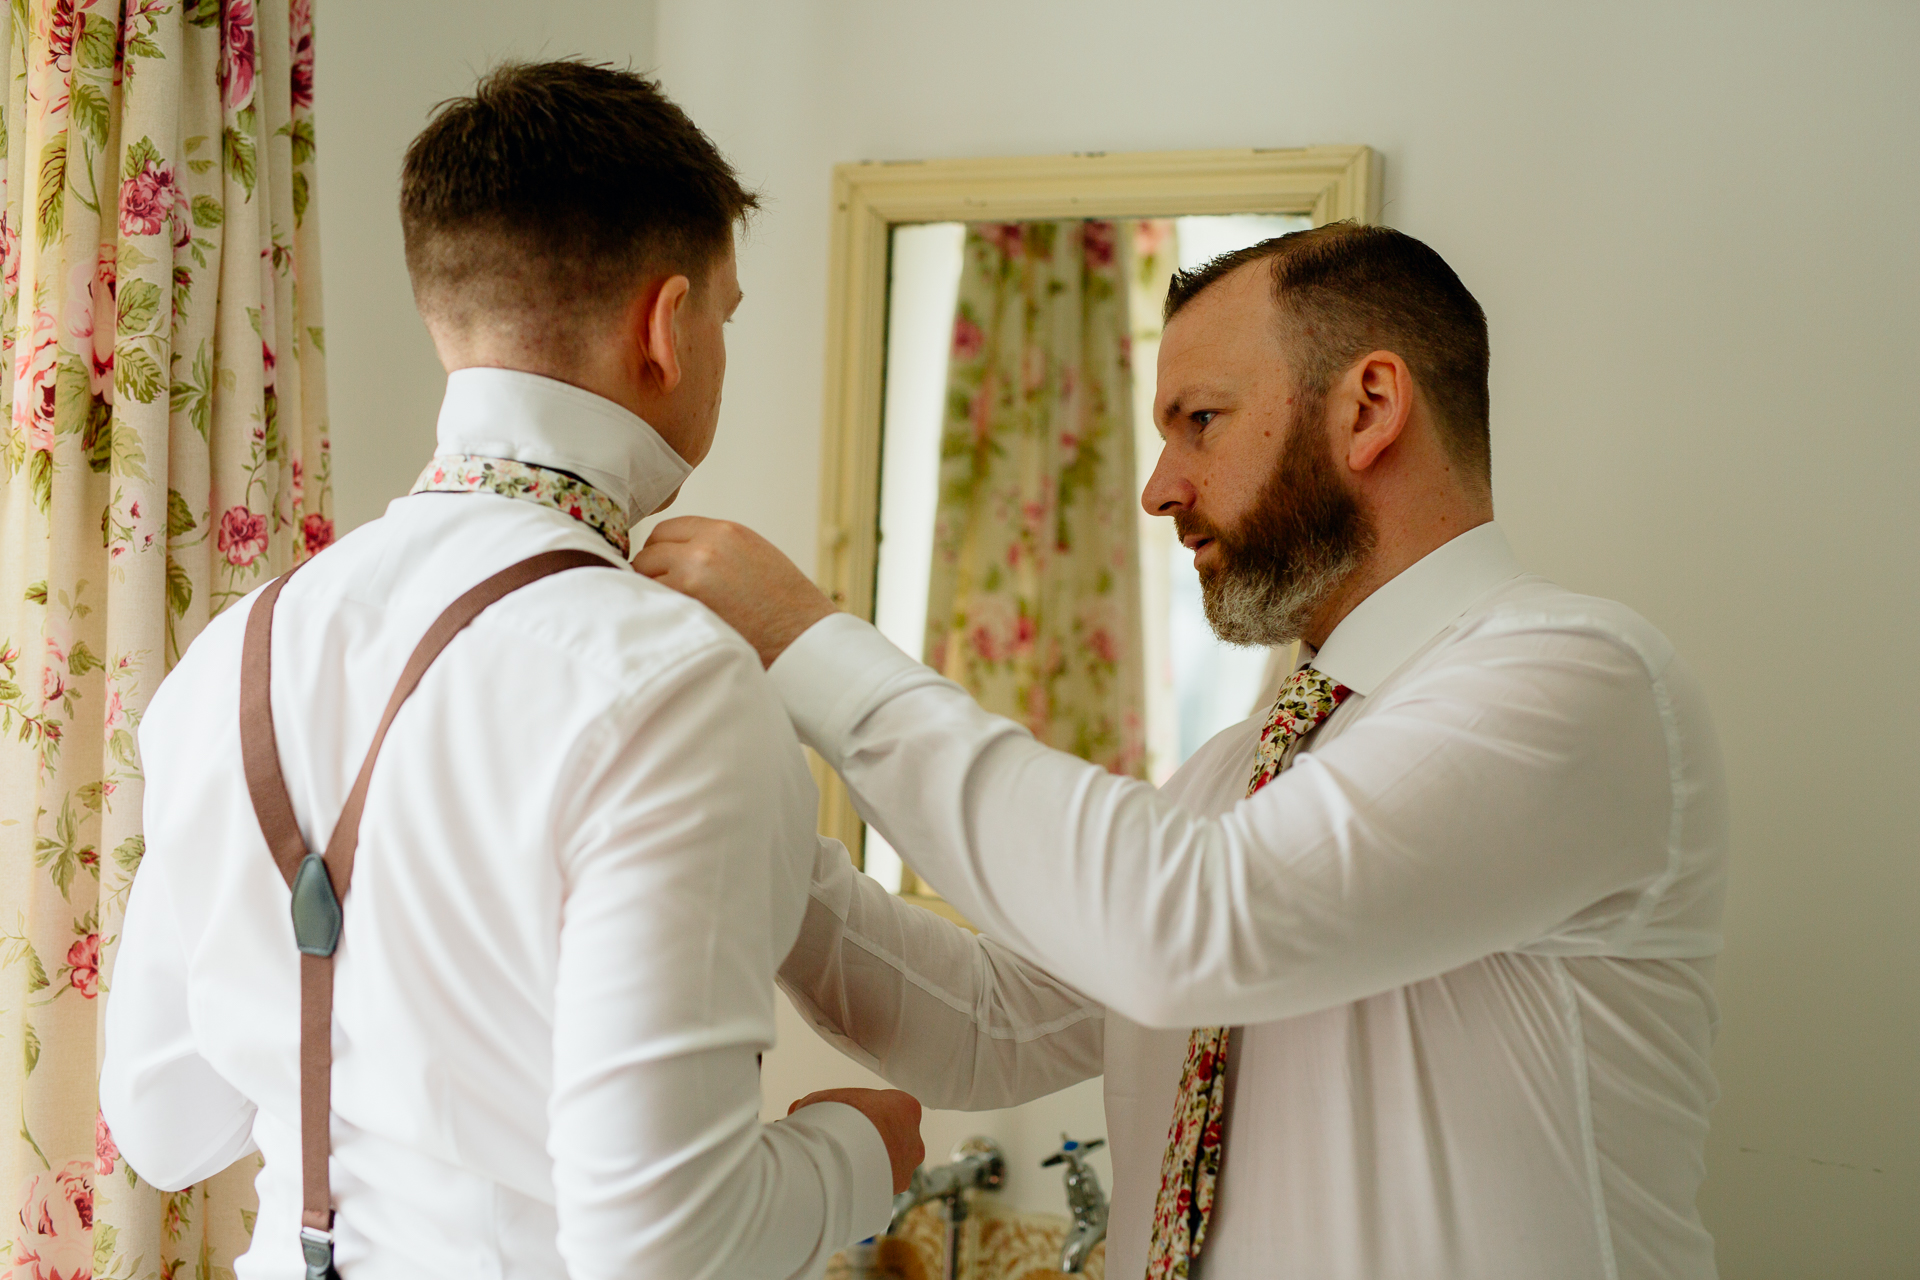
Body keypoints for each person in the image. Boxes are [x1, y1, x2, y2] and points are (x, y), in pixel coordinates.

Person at [638, 223, 1730, 1280]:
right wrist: (744, 802)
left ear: (1372, 407)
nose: (1160, 487)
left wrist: (810, 645)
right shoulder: (1243, 766)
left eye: (1200, 419)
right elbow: (984, 1022)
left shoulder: (1574, 680)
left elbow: (1190, 923)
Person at [100, 62, 922, 1280]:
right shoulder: (669, 679)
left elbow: (166, 1127)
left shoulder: (235, 651)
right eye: (727, 318)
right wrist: (863, 1147)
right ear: (666, 323)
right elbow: (666, 1249)